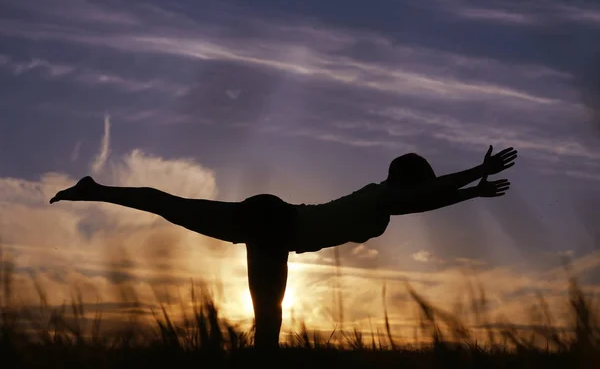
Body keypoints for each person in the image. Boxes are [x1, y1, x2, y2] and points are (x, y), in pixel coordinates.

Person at [49, 145, 517, 349]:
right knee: (268, 323)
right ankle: (97, 189)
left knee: (172, 206)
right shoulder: (383, 195)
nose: (426, 191)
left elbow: (423, 204)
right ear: (408, 180)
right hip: (274, 224)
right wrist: (476, 173)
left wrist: (471, 192)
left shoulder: (384, 205)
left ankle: (96, 188)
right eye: (424, 184)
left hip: (271, 220)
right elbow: (420, 197)